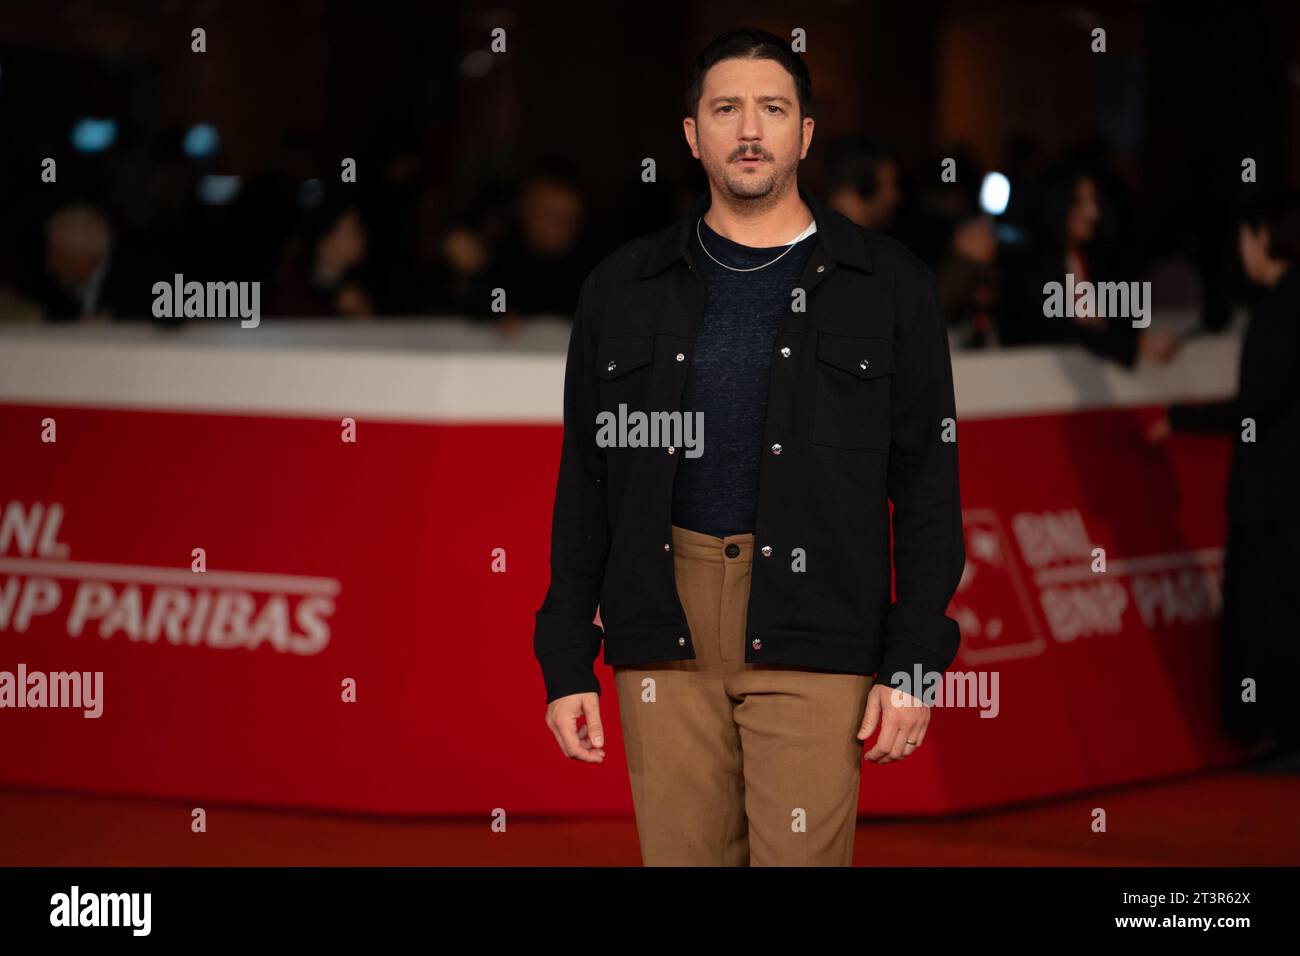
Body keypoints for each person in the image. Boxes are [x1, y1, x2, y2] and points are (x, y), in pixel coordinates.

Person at [534, 28, 965, 866]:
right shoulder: (622, 288)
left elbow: (926, 488)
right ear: (692, 134)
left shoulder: (891, 287)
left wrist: (913, 663)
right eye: (726, 109)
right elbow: (586, 481)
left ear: (806, 133)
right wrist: (565, 659)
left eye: (773, 108)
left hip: (820, 620)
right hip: (661, 625)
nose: (750, 130)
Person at [1148, 189, 1300, 754]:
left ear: (1264, 238)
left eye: (1244, 237)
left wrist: (1180, 417)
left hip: (1275, 495)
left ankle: (1279, 734)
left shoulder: (1281, 307)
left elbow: (1257, 404)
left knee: (1270, 610)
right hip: (1283, 492)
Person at [1001, 162, 1178, 364]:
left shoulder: (1097, 261)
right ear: (1058, 204)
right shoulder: (1029, 267)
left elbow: (1121, 318)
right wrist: (1133, 344)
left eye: (1094, 201)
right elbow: (1056, 330)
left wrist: (1135, 340)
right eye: (1081, 202)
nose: (1093, 212)